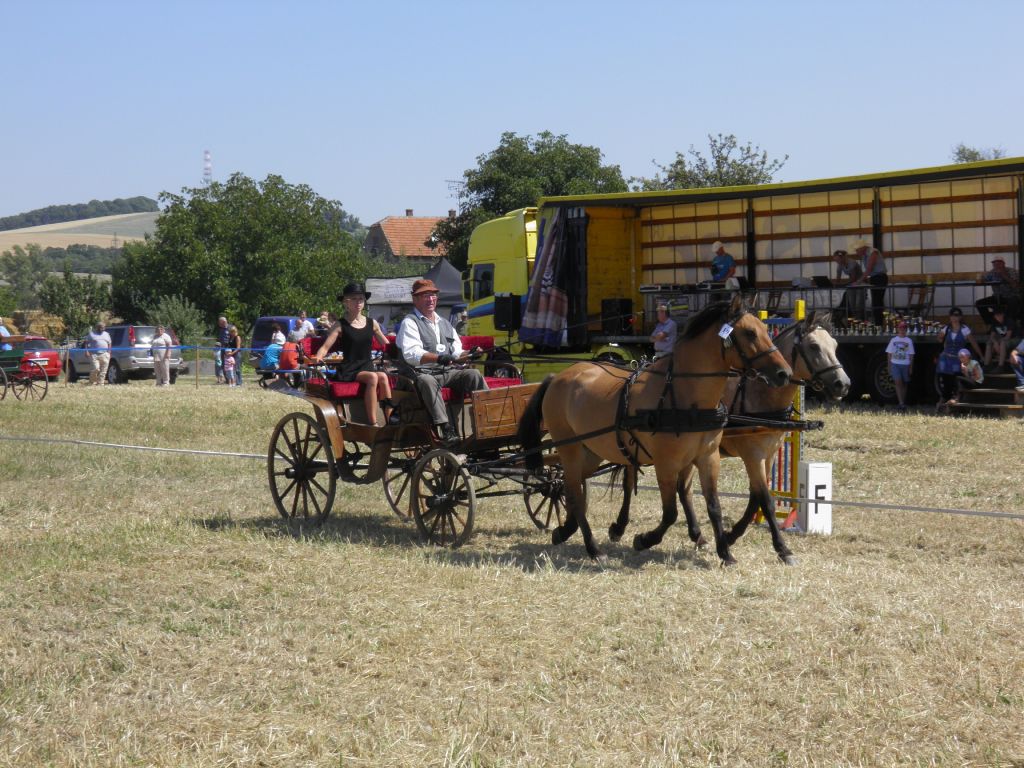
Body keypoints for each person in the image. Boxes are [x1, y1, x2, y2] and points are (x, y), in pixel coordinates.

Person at [396, 278, 488, 445]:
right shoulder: (410, 322)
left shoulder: (445, 323)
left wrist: (470, 354)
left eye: (433, 295)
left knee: (473, 374)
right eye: (425, 296)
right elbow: (412, 354)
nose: (430, 299)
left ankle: (488, 418)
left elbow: (456, 352)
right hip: (422, 373)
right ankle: (445, 428)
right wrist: (439, 358)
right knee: (427, 381)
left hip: (447, 372)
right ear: (415, 299)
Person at [312, 282, 395, 427]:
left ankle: (390, 420)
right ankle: (373, 423)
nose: (358, 302)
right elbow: (325, 347)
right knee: (373, 377)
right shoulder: (340, 324)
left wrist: (396, 352)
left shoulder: (372, 323)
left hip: (367, 365)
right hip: (350, 369)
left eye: (361, 299)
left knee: (383, 376)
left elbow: (386, 344)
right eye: (354, 299)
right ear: (345, 302)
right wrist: (317, 357)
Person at [936, 307, 983, 409]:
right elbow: (939, 338)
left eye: (957, 315)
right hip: (946, 358)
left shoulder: (965, 329)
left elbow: (973, 343)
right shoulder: (946, 328)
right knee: (945, 379)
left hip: (957, 359)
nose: (954, 317)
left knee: (956, 379)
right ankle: (944, 400)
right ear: (950, 317)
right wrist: (942, 340)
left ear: (960, 317)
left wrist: (980, 355)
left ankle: (955, 399)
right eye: (952, 315)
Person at [851, 239, 888, 326]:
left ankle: (879, 324)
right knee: (876, 302)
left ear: (862, 248)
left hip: (880, 278)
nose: (856, 252)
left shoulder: (873, 252)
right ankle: (879, 323)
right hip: (875, 278)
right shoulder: (865, 255)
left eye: (857, 250)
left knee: (877, 302)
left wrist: (858, 282)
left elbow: (869, 269)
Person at [975, 257, 1021, 325]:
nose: (996, 265)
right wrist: (982, 277)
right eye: (994, 264)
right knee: (979, 303)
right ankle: (993, 323)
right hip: (997, 297)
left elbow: (1015, 285)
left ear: (1003, 264)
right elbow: (983, 280)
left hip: (1011, 296)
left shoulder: (1012, 271)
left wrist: (1003, 274)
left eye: (999, 263)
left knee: (1013, 303)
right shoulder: (992, 272)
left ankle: (1010, 325)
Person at [885, 320, 914, 411]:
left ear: (906, 330)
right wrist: (889, 366)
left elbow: (911, 355)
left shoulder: (909, 341)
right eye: (900, 328)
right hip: (895, 364)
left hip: (905, 364)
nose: (902, 330)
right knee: (898, 382)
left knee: (904, 383)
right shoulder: (893, 340)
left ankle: (902, 402)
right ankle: (901, 403)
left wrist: (910, 367)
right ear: (898, 329)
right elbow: (889, 354)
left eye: (904, 328)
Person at [832, 249, 865, 324]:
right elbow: (838, 278)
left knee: (858, 305)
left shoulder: (852, 263)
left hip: (861, 284)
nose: (837, 262)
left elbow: (853, 278)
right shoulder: (840, 265)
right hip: (851, 285)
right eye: (836, 260)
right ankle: (855, 322)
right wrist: (835, 284)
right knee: (852, 305)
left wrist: (842, 284)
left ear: (842, 257)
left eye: (838, 260)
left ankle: (860, 322)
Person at [983, 307, 1014, 371]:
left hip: (1012, 339)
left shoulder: (1009, 321)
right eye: (996, 315)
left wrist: (999, 343)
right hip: (1002, 340)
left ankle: (1000, 366)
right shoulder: (994, 322)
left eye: (1000, 315)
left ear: (1003, 314)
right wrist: (995, 343)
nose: (998, 317)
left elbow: (1008, 336)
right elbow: (992, 336)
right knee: (989, 343)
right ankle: (986, 365)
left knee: (1002, 343)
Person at [86, 321, 112, 385]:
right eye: (101, 327)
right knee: (96, 369)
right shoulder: (91, 334)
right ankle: (92, 382)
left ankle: (101, 383)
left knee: (104, 370)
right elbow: (86, 343)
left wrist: (109, 352)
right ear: (97, 327)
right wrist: (87, 351)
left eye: (104, 327)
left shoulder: (107, 334)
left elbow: (109, 343)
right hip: (94, 354)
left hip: (105, 354)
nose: (102, 329)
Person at [214, 316, 230, 384]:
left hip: (229, 349)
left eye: (220, 323)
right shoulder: (221, 330)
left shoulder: (230, 328)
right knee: (223, 364)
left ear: (224, 322)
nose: (219, 324)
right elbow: (219, 339)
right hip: (221, 349)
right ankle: (226, 379)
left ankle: (231, 379)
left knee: (229, 364)